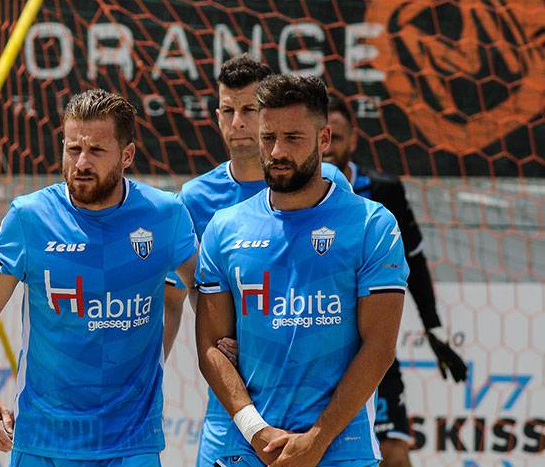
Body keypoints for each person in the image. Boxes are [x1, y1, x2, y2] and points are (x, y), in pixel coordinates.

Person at [0, 89, 198, 467]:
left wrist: (225, 346)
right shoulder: (29, 217)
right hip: (43, 441)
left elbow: (201, 291)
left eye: (96, 151)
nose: (81, 162)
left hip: (131, 443)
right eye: (73, 149)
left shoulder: (165, 215)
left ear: (127, 155)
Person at [195, 74, 409, 467]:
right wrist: (255, 430)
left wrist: (317, 439)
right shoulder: (224, 228)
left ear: (324, 139)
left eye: (293, 138)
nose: (277, 151)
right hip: (244, 445)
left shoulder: (370, 224)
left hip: (339, 447)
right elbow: (210, 347)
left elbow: (378, 347)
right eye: (268, 137)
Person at [160, 55, 352, 466]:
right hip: (238, 383)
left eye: (248, 110)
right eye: (228, 111)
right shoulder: (193, 199)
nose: (238, 123)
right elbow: (175, 298)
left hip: (312, 383)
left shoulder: (330, 182)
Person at [324, 96, 468, 467]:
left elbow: (414, 265)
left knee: (393, 455)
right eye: (322, 137)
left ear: (353, 140)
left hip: (372, 352)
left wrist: (434, 331)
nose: (328, 147)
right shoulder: (285, 199)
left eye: (336, 137)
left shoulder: (382, 190)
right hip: (312, 352)